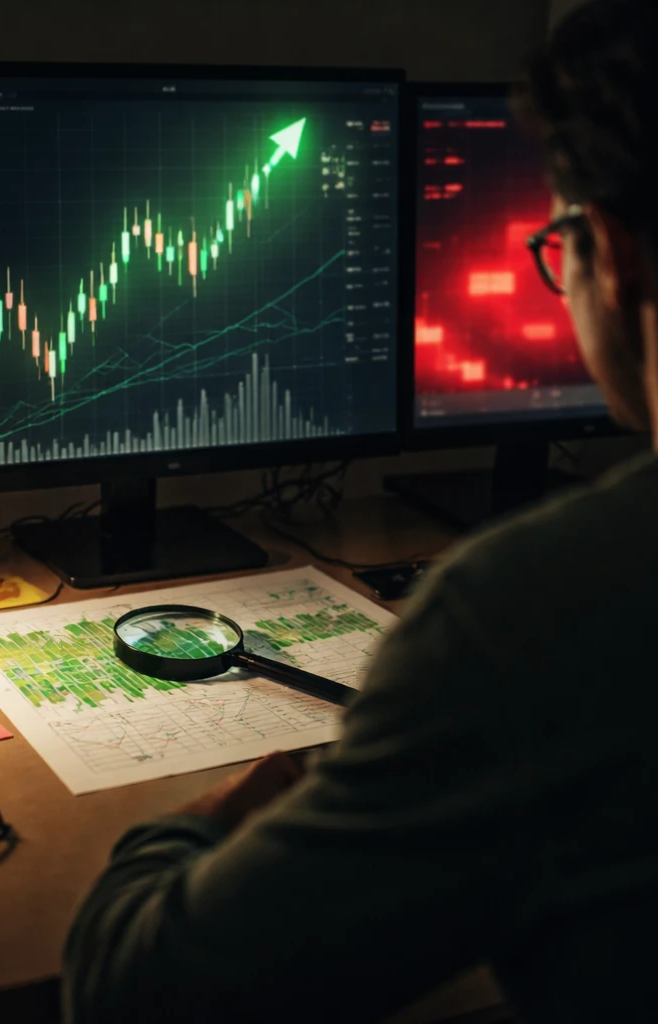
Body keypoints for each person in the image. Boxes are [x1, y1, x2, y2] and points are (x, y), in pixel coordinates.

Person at [61, 2, 658, 1021]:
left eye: (554, 242)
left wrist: (240, 802)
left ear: (610, 248)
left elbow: (133, 993)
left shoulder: (531, 615)